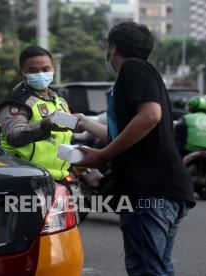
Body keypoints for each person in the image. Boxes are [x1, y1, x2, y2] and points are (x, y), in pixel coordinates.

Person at [75, 22, 195, 275]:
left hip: (149, 192)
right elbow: (122, 133)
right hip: (165, 190)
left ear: (113, 48)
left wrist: (102, 156)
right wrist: (84, 122)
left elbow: (150, 116)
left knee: (146, 270)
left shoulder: (133, 69)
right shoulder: (145, 73)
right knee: (157, 268)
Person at [0, 45, 73, 181]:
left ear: (53, 69)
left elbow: (64, 138)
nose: (40, 74)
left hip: (58, 178)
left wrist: (80, 167)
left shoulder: (59, 100)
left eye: (45, 69)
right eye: (33, 71)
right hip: (25, 178)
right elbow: (14, 136)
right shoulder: (17, 101)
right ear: (21, 73)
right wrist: (43, 125)